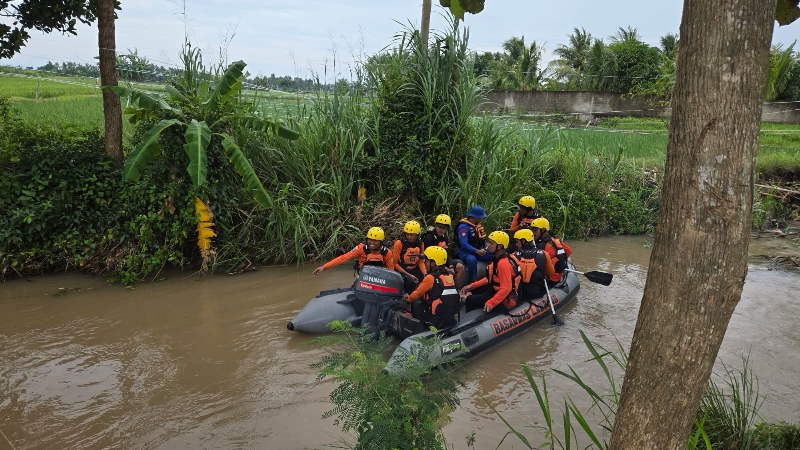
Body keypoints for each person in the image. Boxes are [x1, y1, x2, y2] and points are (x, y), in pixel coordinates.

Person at [459, 231, 519, 313]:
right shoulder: (502, 257)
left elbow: (506, 288)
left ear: (500, 246)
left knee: (470, 300)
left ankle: (472, 321)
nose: (488, 245)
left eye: (491, 244)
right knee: (475, 290)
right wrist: (472, 286)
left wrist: (491, 303)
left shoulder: (502, 263)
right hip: (499, 291)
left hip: (506, 301)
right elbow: (489, 278)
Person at [406, 246, 460, 329]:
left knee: (415, 302)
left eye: (427, 261)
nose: (424, 263)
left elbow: (416, 294)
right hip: (450, 318)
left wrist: (407, 299)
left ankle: (416, 328)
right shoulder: (450, 275)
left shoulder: (430, 277)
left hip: (433, 320)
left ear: (434, 263)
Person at [312, 227, 394, 275]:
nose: (371, 243)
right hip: (363, 278)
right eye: (370, 240)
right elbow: (343, 258)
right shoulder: (360, 248)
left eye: (375, 241)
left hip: (380, 279)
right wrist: (324, 267)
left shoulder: (387, 253)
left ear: (381, 242)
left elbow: (391, 271)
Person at [420, 214, 466, 284]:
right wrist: (445, 268)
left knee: (460, 267)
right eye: (439, 227)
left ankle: (456, 289)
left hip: (441, 261)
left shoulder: (444, 238)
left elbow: (446, 253)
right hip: (432, 263)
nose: (441, 230)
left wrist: (450, 266)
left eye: (444, 228)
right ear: (436, 226)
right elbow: (427, 259)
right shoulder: (429, 238)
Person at [512, 229, 555, 302]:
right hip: (538, 293)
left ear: (523, 241)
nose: (516, 244)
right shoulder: (544, 254)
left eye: (517, 242)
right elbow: (551, 272)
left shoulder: (514, 255)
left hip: (520, 293)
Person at [455, 206, 494, 282]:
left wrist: (486, 245)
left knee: (492, 255)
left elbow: (480, 239)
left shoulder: (477, 225)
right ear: (475, 217)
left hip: (477, 250)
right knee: (472, 260)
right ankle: (473, 280)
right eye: (481, 217)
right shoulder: (463, 227)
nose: (482, 219)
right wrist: (476, 251)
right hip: (465, 252)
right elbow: (464, 244)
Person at [532, 217, 572, 284]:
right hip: (557, 276)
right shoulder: (555, 240)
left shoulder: (541, 246)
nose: (533, 232)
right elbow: (568, 251)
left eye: (535, 230)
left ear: (543, 230)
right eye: (532, 230)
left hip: (549, 279)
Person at [393, 220, 426, 293]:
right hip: (402, 269)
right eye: (407, 234)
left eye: (412, 235)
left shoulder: (420, 244)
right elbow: (395, 264)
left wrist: (425, 273)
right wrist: (409, 275)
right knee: (410, 282)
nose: (409, 237)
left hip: (414, 268)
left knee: (426, 279)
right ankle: (408, 300)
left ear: (417, 235)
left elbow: (421, 262)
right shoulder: (399, 243)